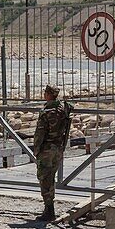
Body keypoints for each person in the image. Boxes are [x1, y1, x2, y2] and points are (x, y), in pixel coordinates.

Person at [30, 85, 72, 221]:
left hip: (47, 149)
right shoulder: (63, 109)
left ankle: (49, 210)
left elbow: (39, 134)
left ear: (48, 94)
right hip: (58, 148)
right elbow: (70, 105)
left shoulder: (46, 112)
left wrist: (36, 150)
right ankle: (49, 209)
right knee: (51, 176)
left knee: (45, 178)